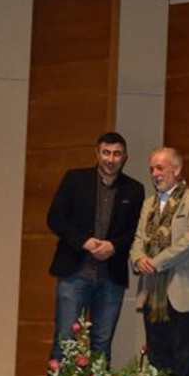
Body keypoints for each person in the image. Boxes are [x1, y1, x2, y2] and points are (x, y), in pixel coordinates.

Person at [47, 132, 145, 363]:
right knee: (65, 340)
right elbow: (55, 218)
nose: (111, 159)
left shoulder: (134, 189)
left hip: (111, 278)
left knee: (102, 343)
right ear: (97, 153)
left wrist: (115, 245)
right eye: (106, 153)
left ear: (125, 157)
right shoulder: (74, 179)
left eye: (117, 154)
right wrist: (84, 241)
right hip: (75, 273)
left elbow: (137, 230)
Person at [130, 147, 189, 376]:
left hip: (182, 291)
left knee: (182, 354)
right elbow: (138, 239)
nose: (155, 173)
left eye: (160, 168)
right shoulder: (148, 204)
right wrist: (137, 259)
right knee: (157, 355)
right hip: (152, 293)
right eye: (152, 169)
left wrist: (155, 263)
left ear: (176, 169)